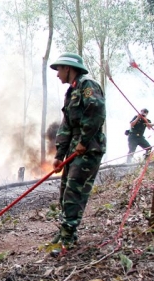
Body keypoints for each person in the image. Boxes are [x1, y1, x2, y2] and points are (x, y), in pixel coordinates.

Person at [48, 53, 106, 256]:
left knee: (74, 192)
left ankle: (67, 241)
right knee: (65, 192)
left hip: (88, 150)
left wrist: (84, 141)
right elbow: (66, 126)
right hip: (75, 150)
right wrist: (59, 154)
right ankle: (65, 232)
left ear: (68, 68)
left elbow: (97, 112)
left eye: (59, 70)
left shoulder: (87, 86)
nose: (57, 75)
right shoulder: (71, 91)